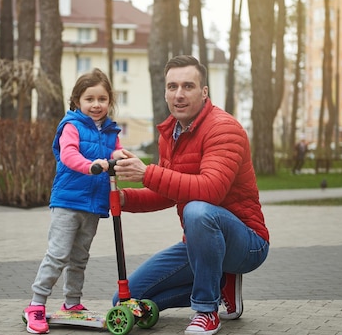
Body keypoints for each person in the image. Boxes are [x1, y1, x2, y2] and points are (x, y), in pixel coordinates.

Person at [113, 55, 269, 335]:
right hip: (201, 242)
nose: (179, 94)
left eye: (188, 86)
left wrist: (146, 173)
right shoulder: (170, 134)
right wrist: (123, 199)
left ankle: (207, 311)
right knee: (126, 300)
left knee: (196, 210)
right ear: (165, 92)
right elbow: (167, 192)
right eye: (172, 87)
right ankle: (221, 285)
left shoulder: (224, 128)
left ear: (204, 92)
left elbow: (211, 190)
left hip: (247, 242)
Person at [24, 68, 127, 334]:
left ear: (109, 101)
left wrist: (121, 154)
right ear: (77, 101)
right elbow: (68, 154)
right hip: (68, 202)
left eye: (102, 99)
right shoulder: (71, 126)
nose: (96, 104)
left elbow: (113, 151)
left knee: (80, 257)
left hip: (93, 205)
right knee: (58, 255)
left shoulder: (110, 130)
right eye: (89, 99)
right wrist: (90, 165)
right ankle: (36, 304)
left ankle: (72, 304)